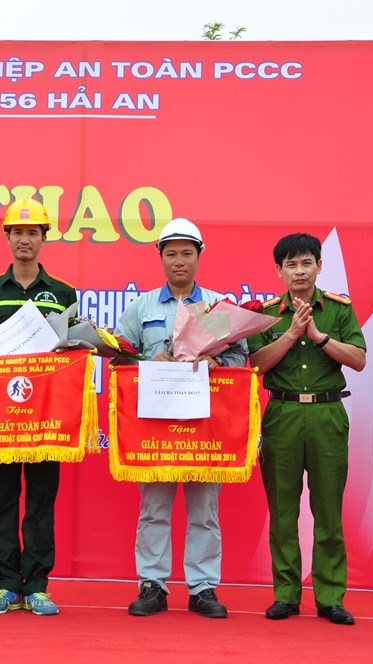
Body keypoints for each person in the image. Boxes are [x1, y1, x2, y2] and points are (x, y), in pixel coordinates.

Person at [114, 218, 247, 618]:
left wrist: (217, 361)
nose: (179, 261)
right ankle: (152, 585)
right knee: (153, 508)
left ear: (199, 256)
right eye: (171, 253)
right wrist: (146, 360)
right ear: (160, 257)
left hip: (205, 424)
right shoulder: (142, 307)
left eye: (187, 253)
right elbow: (118, 357)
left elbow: (241, 358)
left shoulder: (217, 308)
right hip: (155, 424)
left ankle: (203, 588)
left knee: (204, 510)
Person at [247, 232, 366, 626]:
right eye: (291, 264)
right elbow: (255, 365)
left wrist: (318, 336)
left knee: (328, 509)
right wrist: (291, 333)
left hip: (327, 415)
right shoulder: (266, 313)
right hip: (281, 414)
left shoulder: (338, 309)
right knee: (283, 511)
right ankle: (286, 595)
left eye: (306, 263)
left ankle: (330, 597)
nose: (299, 271)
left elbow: (359, 359)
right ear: (279, 270)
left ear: (319, 266)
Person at [0, 196, 77, 616]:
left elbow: (70, 352)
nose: (25, 240)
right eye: (18, 232)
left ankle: (36, 586)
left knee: (40, 500)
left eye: (33, 232)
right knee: (0, 498)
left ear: (43, 238)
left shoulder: (63, 293)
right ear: (7, 237)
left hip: (45, 415)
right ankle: (4, 585)